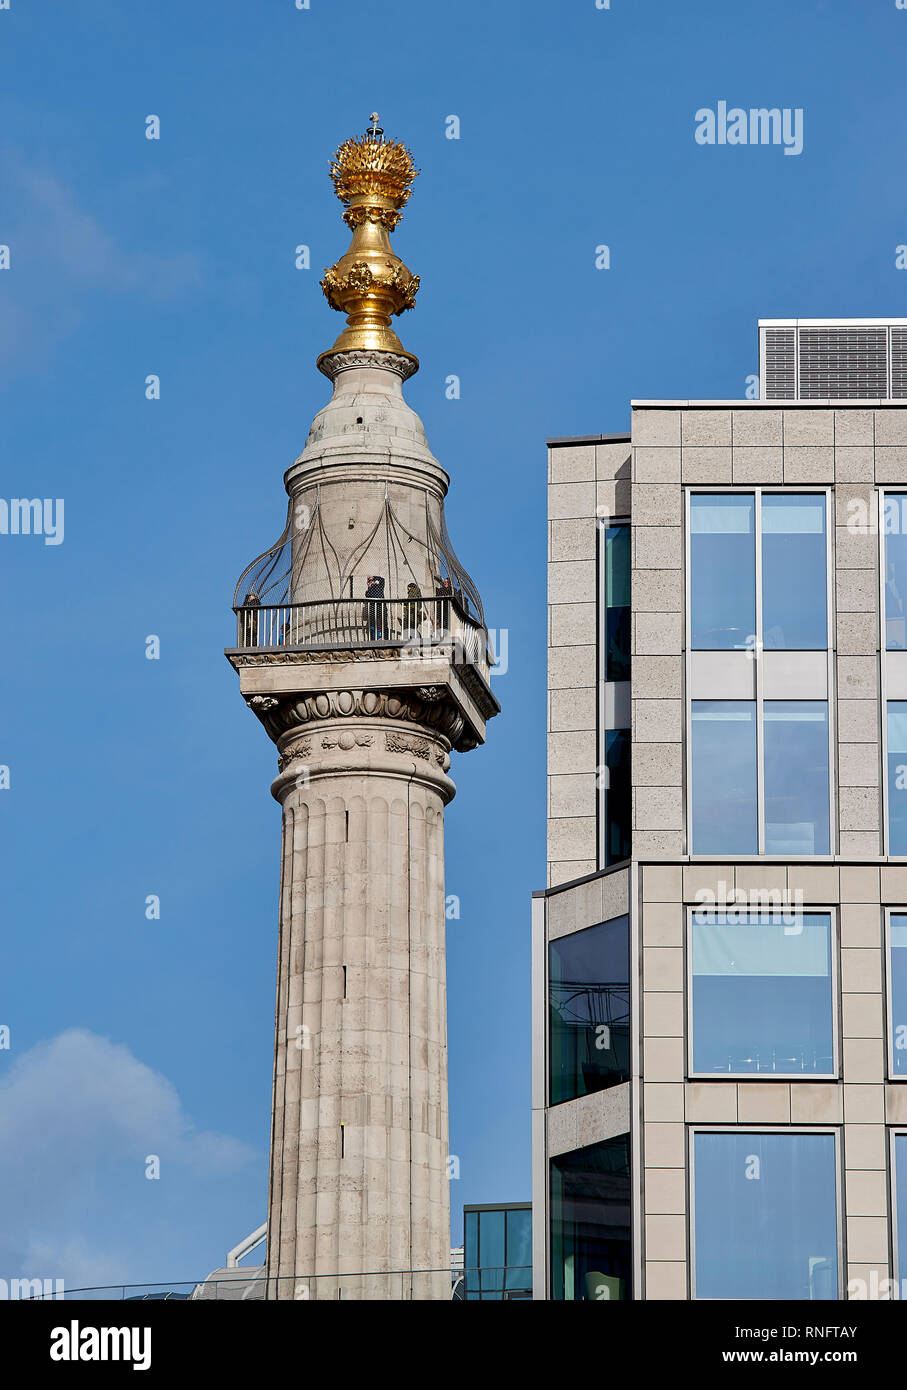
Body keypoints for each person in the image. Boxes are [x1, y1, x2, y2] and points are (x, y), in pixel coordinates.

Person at [363, 575, 385, 640]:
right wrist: (369, 587)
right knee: (372, 625)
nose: (371, 582)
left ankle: (379, 637)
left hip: (379, 608)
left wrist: (374, 577)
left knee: (378, 624)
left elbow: (382, 580)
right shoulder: (368, 591)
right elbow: (367, 596)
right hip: (372, 609)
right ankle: (373, 638)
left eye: (372, 581)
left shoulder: (379, 587)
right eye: (369, 581)